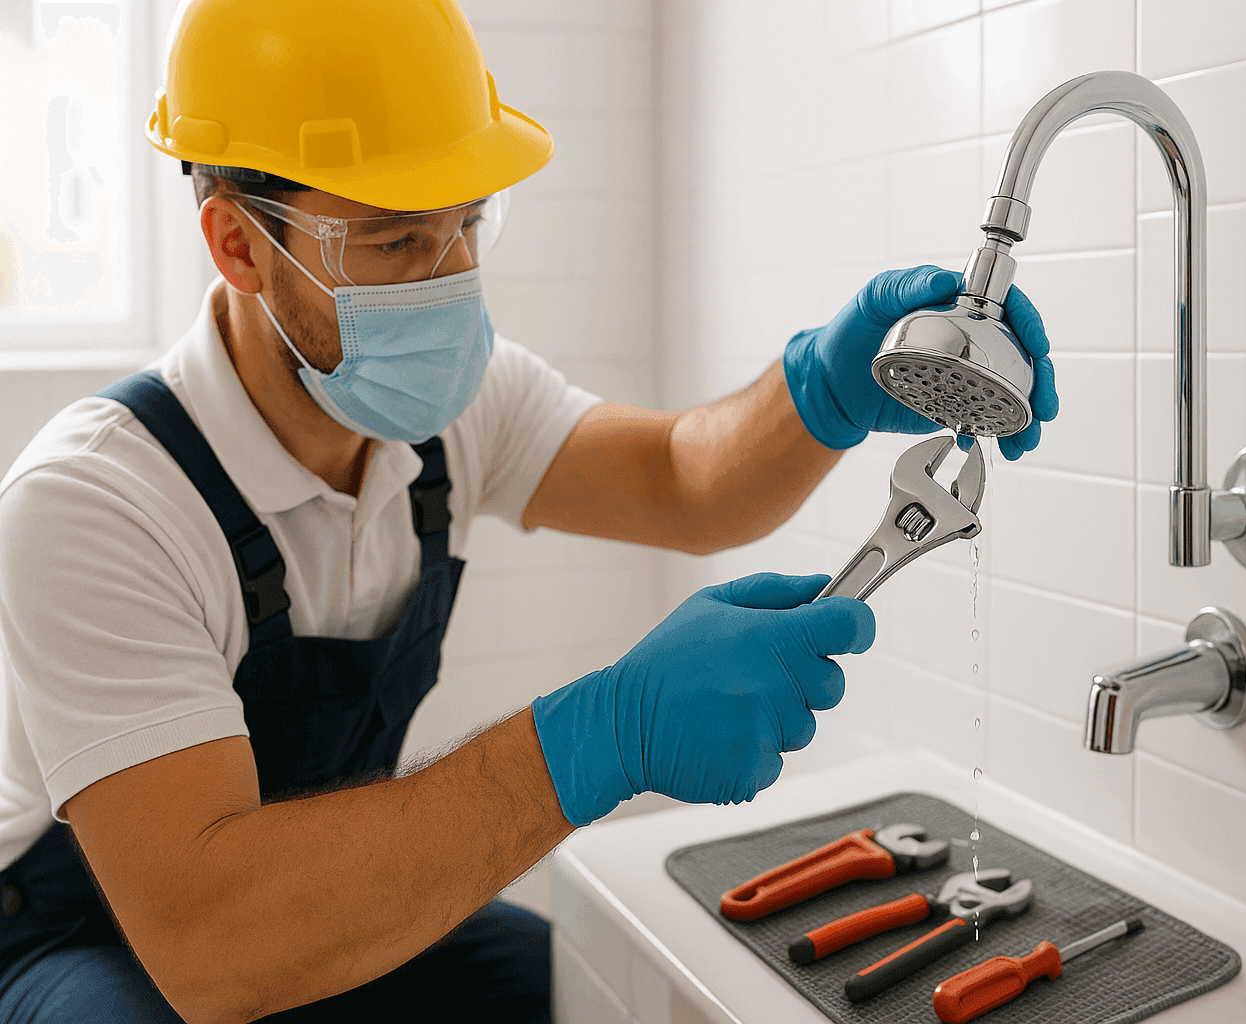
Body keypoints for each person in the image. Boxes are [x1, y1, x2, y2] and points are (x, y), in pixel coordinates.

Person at [0, 2, 1057, 1022]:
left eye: (468, 222)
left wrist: (822, 388)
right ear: (237, 244)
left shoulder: (441, 407)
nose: (451, 281)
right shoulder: (98, 503)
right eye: (394, 242)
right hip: (91, 944)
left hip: (321, 896)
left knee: (571, 986)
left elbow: (679, 480)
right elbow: (212, 944)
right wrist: (597, 736)